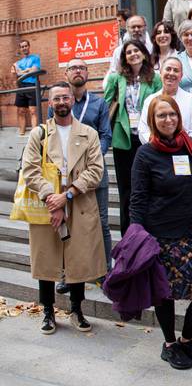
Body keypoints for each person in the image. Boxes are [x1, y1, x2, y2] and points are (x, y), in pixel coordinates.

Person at [130, 94, 192, 370]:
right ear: (153, 121)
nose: (168, 120)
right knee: (165, 294)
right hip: (161, 235)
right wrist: (137, 234)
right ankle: (169, 345)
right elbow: (138, 198)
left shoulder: (188, 146)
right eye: (162, 116)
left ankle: (187, 340)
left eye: (172, 115)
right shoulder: (145, 154)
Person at [22, 82, 105, 335]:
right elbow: (30, 170)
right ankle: (48, 310)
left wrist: (67, 195)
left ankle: (76, 310)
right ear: (50, 103)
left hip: (79, 203)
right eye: (56, 98)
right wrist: (53, 198)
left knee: (78, 259)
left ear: (72, 100)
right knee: (47, 258)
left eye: (65, 97)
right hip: (47, 205)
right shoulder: (39, 134)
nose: (61, 102)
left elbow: (96, 170)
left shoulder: (88, 133)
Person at [104, 39, 163, 235]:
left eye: (136, 50)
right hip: (124, 139)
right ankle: (127, 236)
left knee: (148, 185)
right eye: (128, 52)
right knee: (126, 190)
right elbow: (106, 105)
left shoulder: (154, 78)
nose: (133, 55)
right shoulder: (117, 78)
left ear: (144, 54)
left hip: (148, 138)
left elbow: (158, 106)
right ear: (124, 58)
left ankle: (148, 232)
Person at [63, 59, 113, 274]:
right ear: (67, 74)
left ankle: (106, 272)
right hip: (67, 174)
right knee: (70, 222)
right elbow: (52, 134)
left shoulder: (98, 103)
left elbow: (105, 136)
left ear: (87, 73)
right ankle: (70, 272)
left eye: (81, 68)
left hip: (95, 171)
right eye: (73, 68)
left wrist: (92, 160)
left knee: (101, 221)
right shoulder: (60, 102)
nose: (78, 71)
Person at [138, 56, 192, 144]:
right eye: (168, 69)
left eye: (176, 70)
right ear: (160, 72)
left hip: (182, 151)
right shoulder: (150, 100)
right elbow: (143, 130)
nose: (171, 73)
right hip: (156, 152)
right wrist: (157, 147)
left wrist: (183, 147)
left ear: (181, 76)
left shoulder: (190, 100)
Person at [13, 39, 40, 135]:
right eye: (22, 47)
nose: (24, 48)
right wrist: (27, 70)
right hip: (21, 86)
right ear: (20, 49)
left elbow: (34, 70)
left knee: (33, 110)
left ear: (29, 46)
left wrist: (22, 71)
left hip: (32, 85)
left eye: (25, 46)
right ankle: (22, 132)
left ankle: (34, 134)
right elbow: (16, 73)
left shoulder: (35, 58)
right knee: (21, 111)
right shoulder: (18, 62)